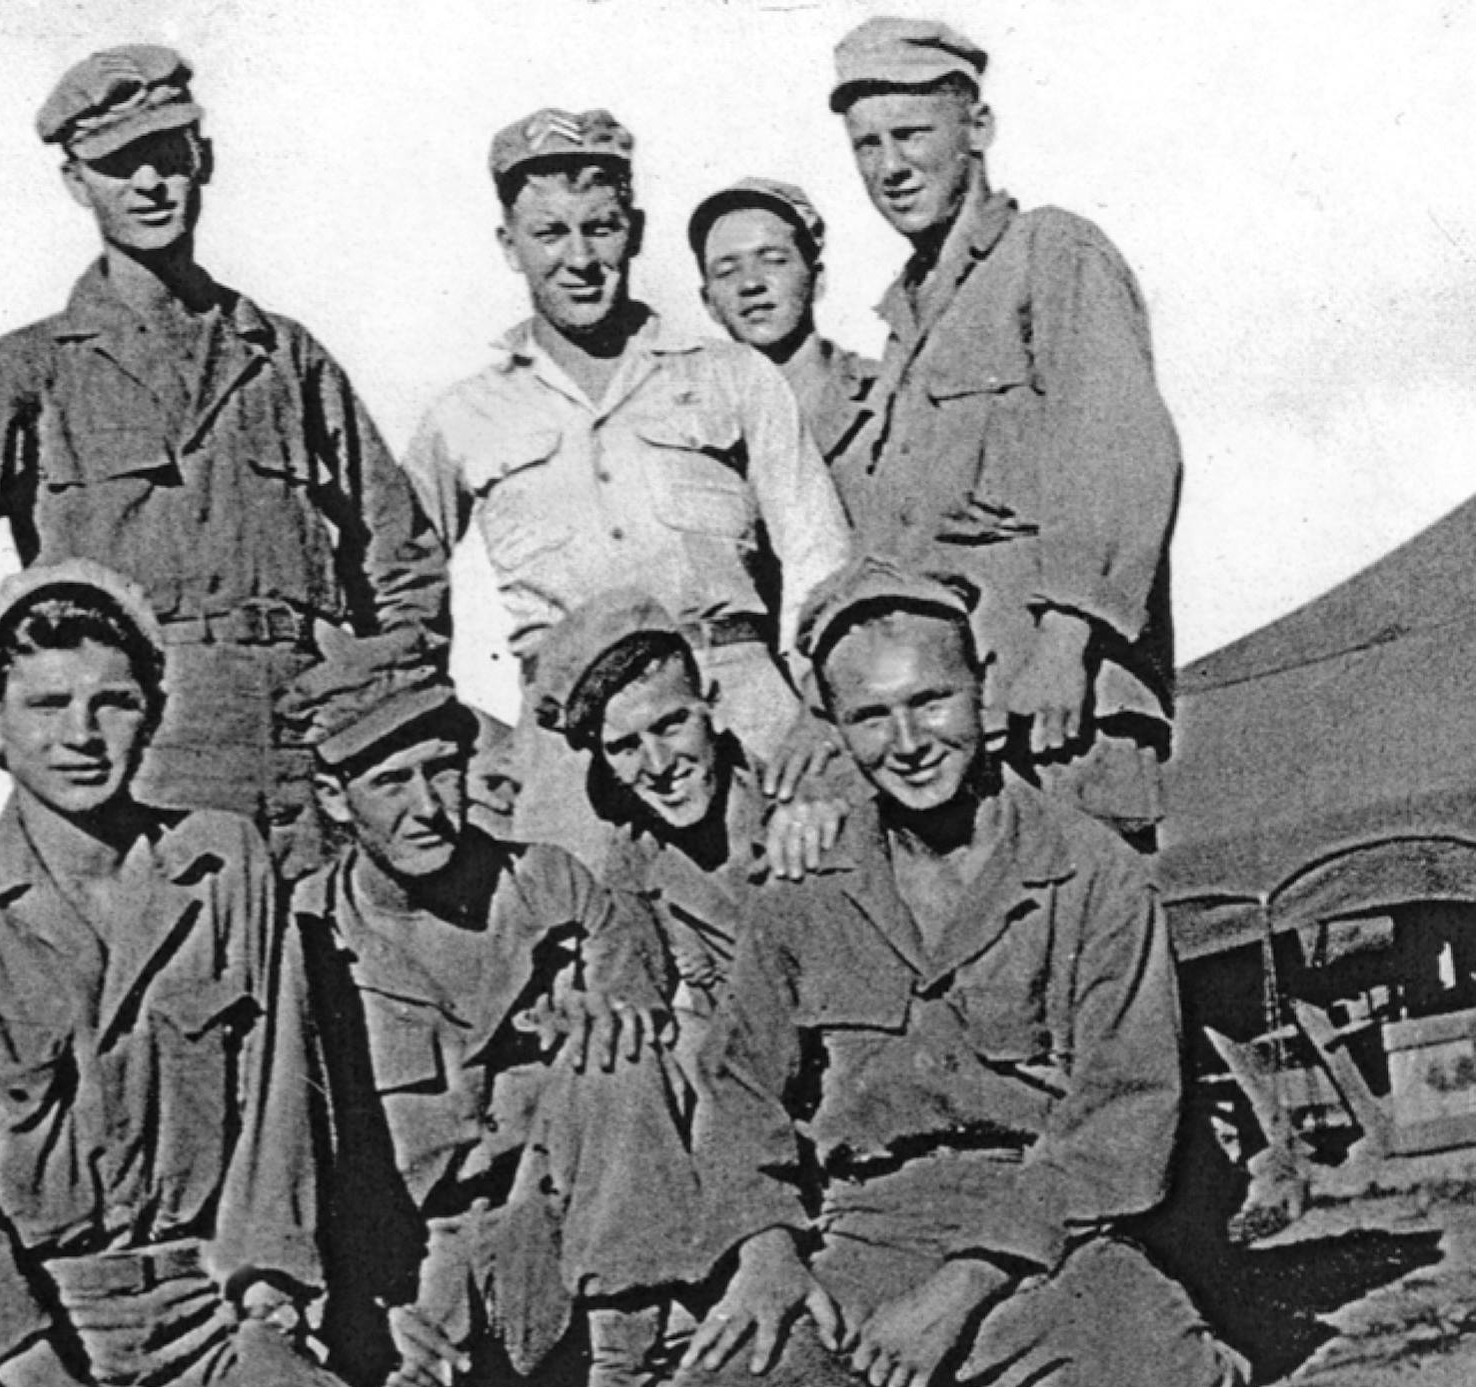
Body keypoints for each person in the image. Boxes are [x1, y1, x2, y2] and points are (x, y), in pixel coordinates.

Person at [625, 562, 1245, 1387]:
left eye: (932, 701)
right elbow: (741, 1085)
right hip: (866, 1231)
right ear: (832, 724)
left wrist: (956, 1295)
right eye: (872, 716)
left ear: (983, 686)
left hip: (1048, 1232)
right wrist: (767, 1252)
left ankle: (1003, 1377)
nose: (909, 742)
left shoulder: (1092, 872)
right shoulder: (802, 884)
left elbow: (1121, 1114)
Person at [0, 560, 391, 1387]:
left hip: (221, 1322)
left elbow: (279, 1122)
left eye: (112, 703)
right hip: (43, 1342)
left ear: (155, 713)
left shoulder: (224, 865)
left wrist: (270, 1327)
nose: (81, 735)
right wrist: (38, 1380)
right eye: (47, 704)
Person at [0, 45, 448, 879]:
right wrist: (21, 683)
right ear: (76, 183)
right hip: (148, 746)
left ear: (206, 160)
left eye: (168, 156)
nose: (150, 184)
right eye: (119, 165)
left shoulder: (284, 357)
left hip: (305, 737)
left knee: (324, 944)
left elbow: (399, 549)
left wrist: (379, 688)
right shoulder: (28, 370)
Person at [283, 627, 751, 1387]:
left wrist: (611, 1022)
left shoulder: (552, 886)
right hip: (425, 1300)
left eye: (442, 771)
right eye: (390, 782)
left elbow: (650, 1069)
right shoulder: (306, 940)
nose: (428, 807)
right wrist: (369, 1316)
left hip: (582, 1255)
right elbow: (287, 1163)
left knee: (623, 1049)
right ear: (334, 798)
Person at [405, 108, 853, 866]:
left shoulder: (731, 375)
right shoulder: (463, 416)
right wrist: (465, 738)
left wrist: (815, 717)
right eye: (550, 233)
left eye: (600, 228)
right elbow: (399, 592)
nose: (579, 258)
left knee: (797, 903)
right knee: (579, 927)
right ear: (509, 245)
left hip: (741, 712)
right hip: (570, 750)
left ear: (634, 233)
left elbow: (819, 557)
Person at [828, 18, 1181, 847]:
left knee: (1091, 925)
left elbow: (1122, 450)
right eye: (867, 144)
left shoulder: (1050, 253)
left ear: (977, 128)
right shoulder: (909, 319)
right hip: (970, 723)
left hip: (1061, 710)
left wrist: (1067, 638)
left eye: (912, 134)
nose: (890, 166)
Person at [530, 594, 842, 1063]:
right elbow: (632, 987)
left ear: (712, 705)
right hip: (749, 1079)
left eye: (671, 725)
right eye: (625, 747)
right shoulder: (636, 859)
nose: (659, 766)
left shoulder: (806, 798)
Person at [686, 177, 874, 471]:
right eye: (726, 271)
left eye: (773, 260)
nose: (750, 283)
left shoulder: (887, 393)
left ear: (817, 279)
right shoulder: (695, 428)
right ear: (709, 303)